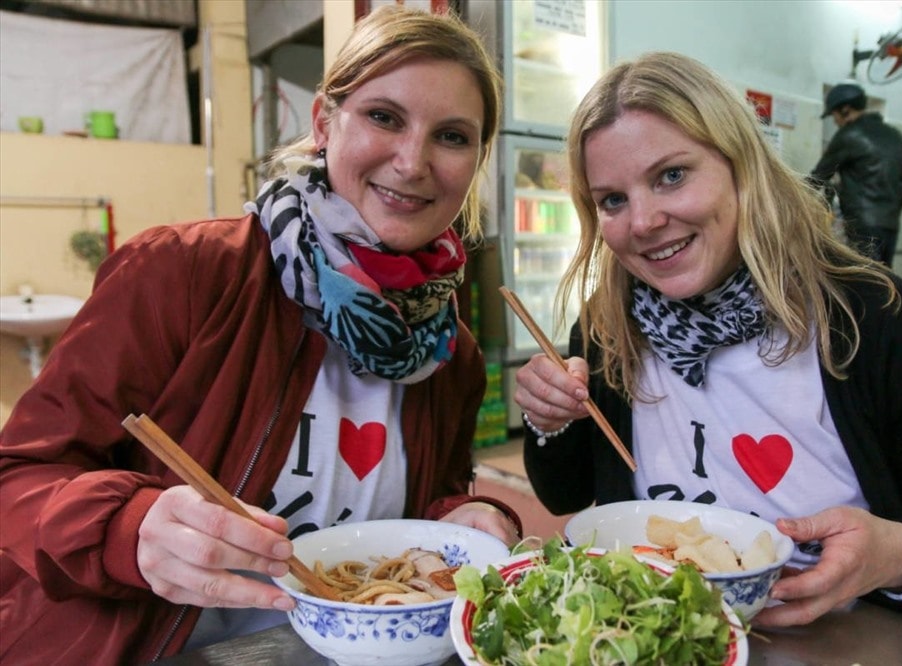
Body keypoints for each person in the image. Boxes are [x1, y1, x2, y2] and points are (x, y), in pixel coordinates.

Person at [0, 6, 523, 664]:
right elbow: (18, 477)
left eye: (451, 136)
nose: (413, 161)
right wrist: (125, 529)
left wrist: (467, 516)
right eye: (384, 117)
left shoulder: (450, 353)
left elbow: (422, 501)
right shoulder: (185, 272)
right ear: (324, 123)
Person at [513, 52, 902, 638]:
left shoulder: (880, 322)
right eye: (612, 200)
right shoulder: (607, 328)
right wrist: (549, 420)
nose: (642, 222)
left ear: (743, 167)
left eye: (672, 175)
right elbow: (566, 493)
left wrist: (896, 554)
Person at [809, 82, 902, 266]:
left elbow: (818, 177)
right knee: (885, 281)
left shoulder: (848, 135)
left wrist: (788, 197)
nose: (835, 122)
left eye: (834, 115)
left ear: (845, 110)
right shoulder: (894, 135)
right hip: (891, 224)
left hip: (862, 226)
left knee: (864, 282)